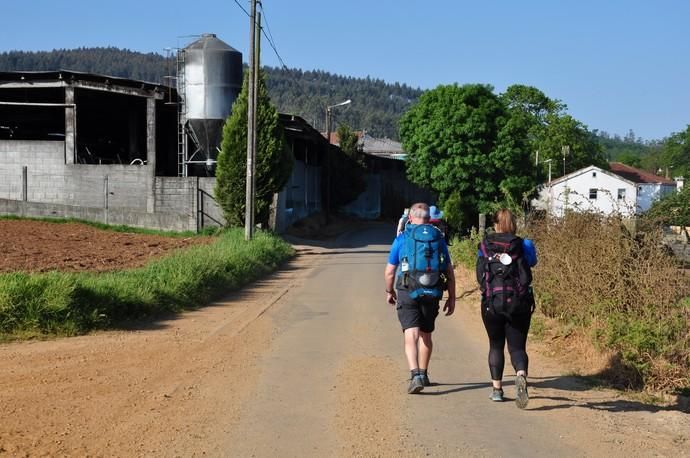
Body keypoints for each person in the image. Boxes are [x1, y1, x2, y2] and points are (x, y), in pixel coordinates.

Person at [385, 202, 456, 394]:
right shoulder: (438, 238)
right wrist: (452, 297)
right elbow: (449, 270)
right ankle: (424, 373)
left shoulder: (402, 238)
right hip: (432, 290)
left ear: (410, 218)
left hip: (407, 289)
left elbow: (390, 271)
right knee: (426, 334)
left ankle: (415, 374)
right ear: (429, 219)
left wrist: (389, 291)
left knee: (411, 333)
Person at [476, 208, 537, 408]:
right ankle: (520, 375)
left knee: (495, 345)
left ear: (495, 224)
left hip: (492, 303)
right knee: (517, 347)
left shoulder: (485, 245)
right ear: (513, 224)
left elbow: (479, 274)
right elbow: (532, 264)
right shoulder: (524, 244)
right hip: (518, 303)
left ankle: (497, 390)